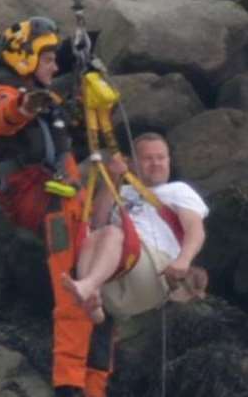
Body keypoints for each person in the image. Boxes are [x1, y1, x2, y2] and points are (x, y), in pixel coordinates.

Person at [0, 17, 112, 397]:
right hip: (47, 203)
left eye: (57, 59)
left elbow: (74, 106)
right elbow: (3, 115)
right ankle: (70, 386)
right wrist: (25, 105)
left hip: (72, 200)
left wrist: (85, 68)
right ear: (26, 59)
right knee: (73, 289)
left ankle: (95, 385)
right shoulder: (5, 96)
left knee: (101, 292)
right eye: (49, 59)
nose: (55, 67)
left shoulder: (51, 97)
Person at [62, 132, 209, 323]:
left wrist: (184, 260)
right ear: (131, 163)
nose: (156, 163)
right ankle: (93, 299)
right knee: (95, 235)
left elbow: (195, 229)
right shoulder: (121, 191)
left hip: (153, 273)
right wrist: (113, 178)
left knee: (112, 232)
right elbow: (97, 222)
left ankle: (88, 286)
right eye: (148, 159)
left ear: (169, 160)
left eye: (161, 158)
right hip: (112, 278)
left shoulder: (178, 190)